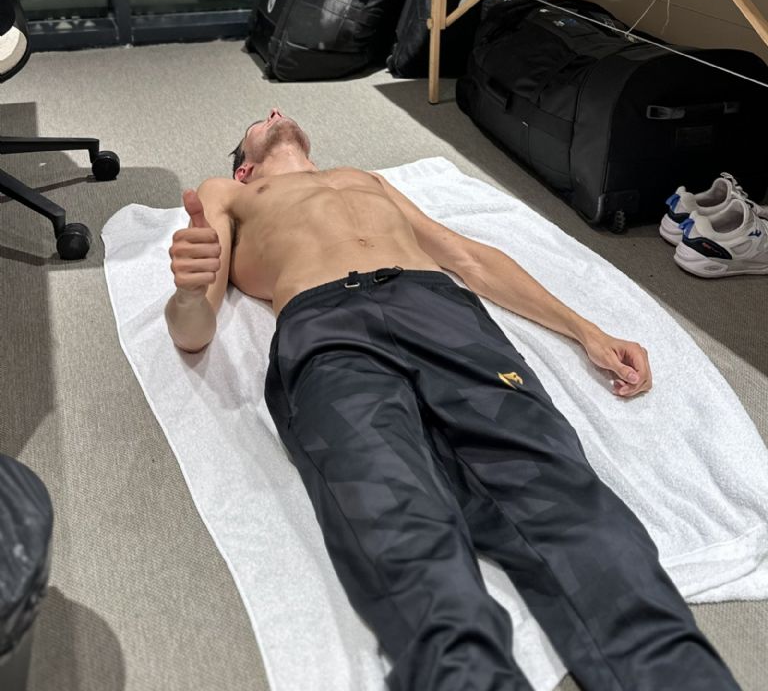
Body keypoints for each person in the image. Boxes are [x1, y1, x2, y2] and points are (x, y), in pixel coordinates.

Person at [165, 108, 740, 691]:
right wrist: (188, 293)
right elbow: (194, 330)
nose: (274, 111)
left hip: (439, 308)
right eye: (257, 120)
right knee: (397, 517)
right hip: (326, 328)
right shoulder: (227, 194)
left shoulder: (365, 178)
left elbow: (467, 257)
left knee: (560, 490)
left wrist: (585, 330)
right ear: (244, 169)